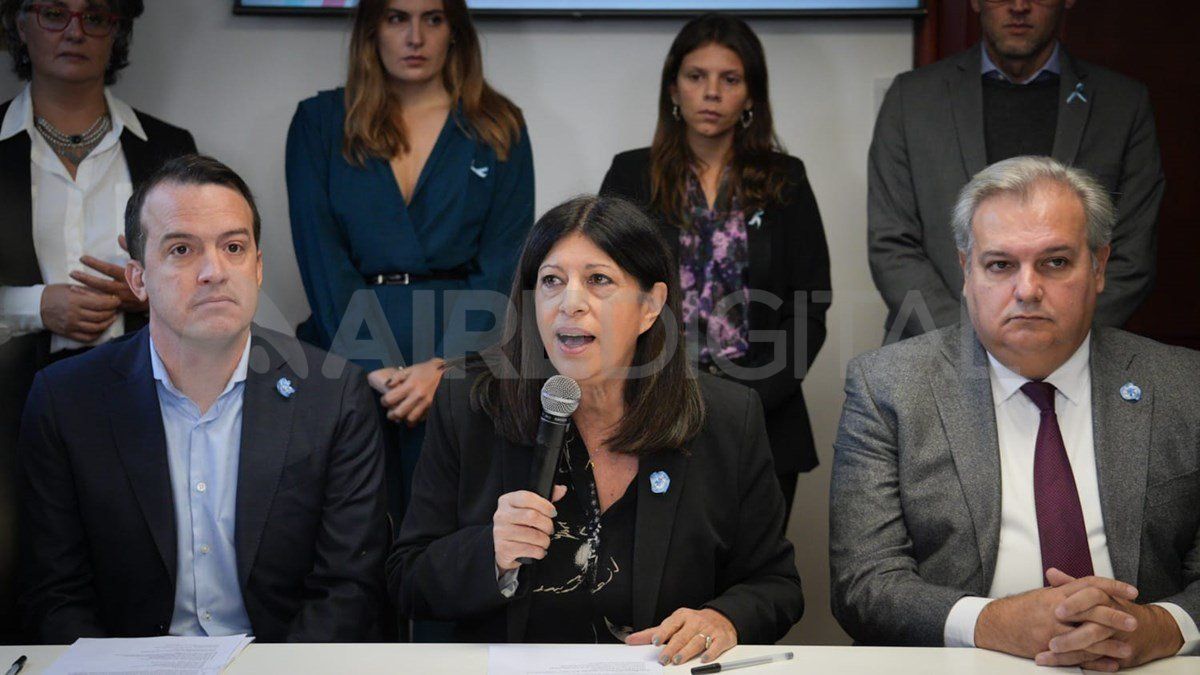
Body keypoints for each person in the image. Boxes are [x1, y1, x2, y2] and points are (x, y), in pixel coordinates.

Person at [390, 195, 803, 664]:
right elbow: (408, 579)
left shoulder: (727, 417)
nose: (570, 303)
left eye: (598, 280)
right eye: (551, 281)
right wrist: (489, 552)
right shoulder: (470, 405)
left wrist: (725, 618)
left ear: (651, 306)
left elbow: (776, 585)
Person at [831, 157, 1198, 670]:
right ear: (966, 272)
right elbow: (863, 585)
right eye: (1000, 265)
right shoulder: (889, 387)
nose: (1027, 290)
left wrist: (1161, 627)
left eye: (1055, 262)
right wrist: (992, 622)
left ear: (1098, 267)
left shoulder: (1185, 386)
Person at [18, 155, 388, 644]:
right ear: (138, 279)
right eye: (182, 250)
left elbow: (348, 589)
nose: (214, 271)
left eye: (234, 247)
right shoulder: (66, 401)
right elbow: (55, 593)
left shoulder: (334, 394)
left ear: (257, 267)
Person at [286, 0, 534, 527]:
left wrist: (446, 367)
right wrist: (372, 364)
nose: (415, 36)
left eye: (433, 19)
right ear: (373, 29)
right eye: (398, 18)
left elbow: (505, 265)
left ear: (455, 32)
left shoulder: (499, 126)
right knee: (349, 537)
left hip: (463, 359)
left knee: (452, 535)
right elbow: (320, 255)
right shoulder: (320, 122)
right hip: (347, 353)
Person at [0, 0, 195, 643]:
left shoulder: (168, 148)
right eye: (54, 13)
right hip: (9, 402)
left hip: (139, 398)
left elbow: (203, 273)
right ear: (20, 24)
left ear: (120, 31)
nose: (75, 32)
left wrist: (151, 295)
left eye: (98, 16)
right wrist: (36, 306)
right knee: (21, 576)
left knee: (135, 577)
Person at [600, 13, 830, 515]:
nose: (711, 93)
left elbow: (809, 306)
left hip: (764, 415)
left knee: (752, 579)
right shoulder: (631, 173)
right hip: (651, 408)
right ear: (673, 89)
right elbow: (607, 293)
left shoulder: (785, 178)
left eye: (730, 79)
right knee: (658, 581)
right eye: (696, 77)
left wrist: (755, 397)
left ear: (751, 96)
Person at [868, 0, 1163, 343]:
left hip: (1076, 360)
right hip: (935, 353)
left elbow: (1132, 256)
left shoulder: (1122, 104)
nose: (1019, 6)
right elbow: (892, 245)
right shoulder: (911, 99)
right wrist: (978, 347)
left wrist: (1050, 342)